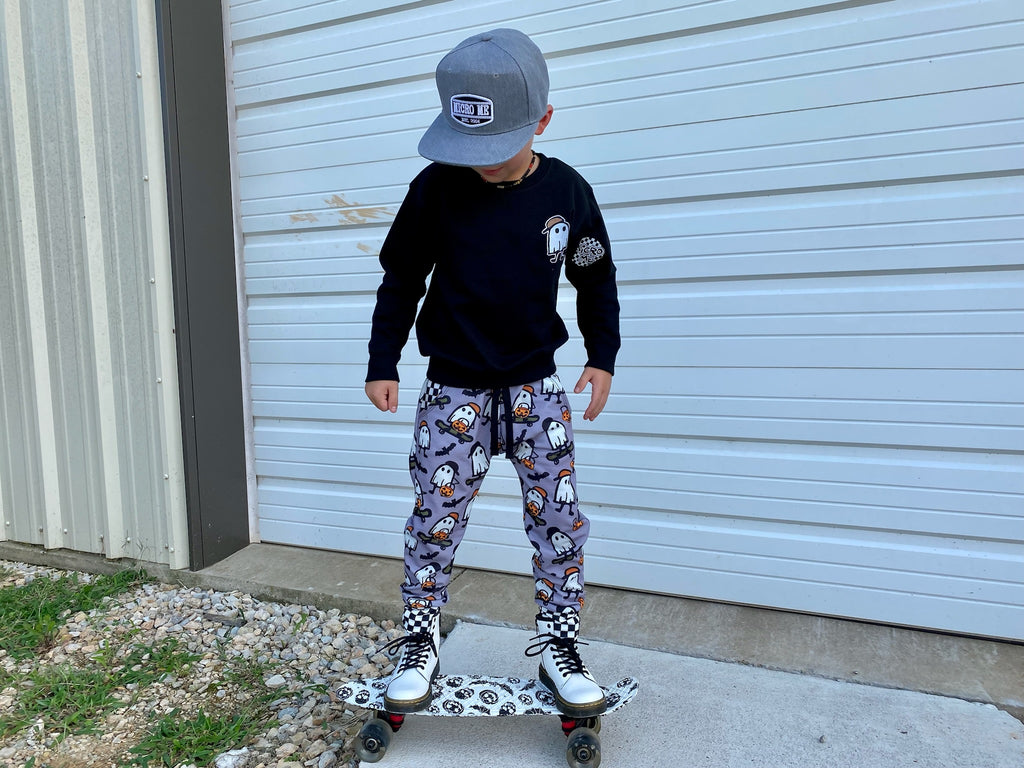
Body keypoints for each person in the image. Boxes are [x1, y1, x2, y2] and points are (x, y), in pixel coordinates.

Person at [364, 28, 620, 719]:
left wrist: (602, 355)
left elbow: (595, 278)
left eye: (495, 149)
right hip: (453, 391)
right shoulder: (434, 189)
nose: (478, 164)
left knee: (559, 520)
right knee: (435, 518)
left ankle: (560, 644)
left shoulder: (567, 194)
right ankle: (421, 639)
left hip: (538, 391)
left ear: (542, 121)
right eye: (466, 148)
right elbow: (401, 278)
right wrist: (382, 360)